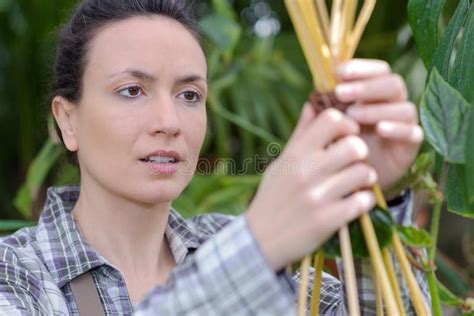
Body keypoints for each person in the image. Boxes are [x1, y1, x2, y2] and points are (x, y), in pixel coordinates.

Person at [0, 0, 429, 315]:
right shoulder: (17, 272)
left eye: (189, 95)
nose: (169, 122)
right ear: (67, 120)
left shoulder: (231, 247)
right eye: (132, 90)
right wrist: (258, 247)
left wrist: (369, 195)